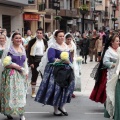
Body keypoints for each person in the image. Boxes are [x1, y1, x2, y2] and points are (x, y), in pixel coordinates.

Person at [35, 30, 75, 116]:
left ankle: (62, 105)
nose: (62, 38)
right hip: (56, 70)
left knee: (68, 88)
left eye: (63, 36)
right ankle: (56, 109)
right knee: (57, 89)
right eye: (60, 36)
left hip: (66, 70)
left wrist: (69, 61)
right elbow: (51, 59)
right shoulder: (53, 47)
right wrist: (62, 60)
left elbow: (70, 58)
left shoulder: (66, 47)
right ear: (55, 37)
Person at [0, 32, 29, 120]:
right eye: (16, 38)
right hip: (11, 74)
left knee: (22, 94)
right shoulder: (9, 50)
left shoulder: (22, 48)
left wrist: (26, 72)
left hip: (21, 74)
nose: (18, 40)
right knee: (11, 95)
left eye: (20, 38)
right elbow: (5, 63)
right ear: (12, 39)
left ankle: (21, 113)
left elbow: (25, 62)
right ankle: (8, 111)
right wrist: (14, 66)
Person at [89, 35, 119, 111]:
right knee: (107, 88)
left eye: (119, 41)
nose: (118, 42)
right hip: (109, 71)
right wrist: (113, 64)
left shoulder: (119, 49)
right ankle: (108, 104)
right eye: (117, 41)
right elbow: (105, 62)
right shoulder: (108, 51)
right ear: (112, 42)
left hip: (118, 72)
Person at [27, 28, 48, 98]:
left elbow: (46, 51)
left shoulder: (45, 41)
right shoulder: (32, 41)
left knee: (44, 76)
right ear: (36, 33)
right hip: (35, 60)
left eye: (40, 33)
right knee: (34, 76)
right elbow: (29, 53)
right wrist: (31, 63)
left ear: (43, 34)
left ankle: (43, 91)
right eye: (38, 33)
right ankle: (33, 91)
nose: (39, 34)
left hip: (43, 60)